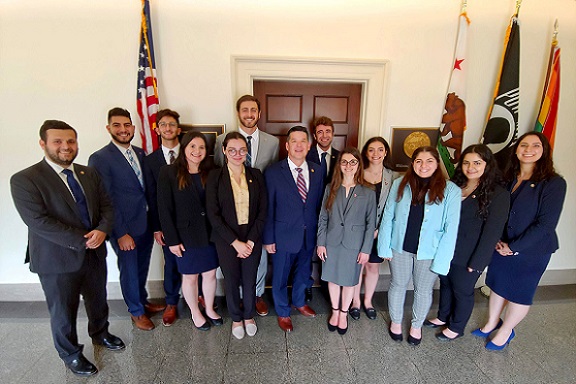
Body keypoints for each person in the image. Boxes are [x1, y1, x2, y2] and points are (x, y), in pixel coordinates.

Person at [10, 120, 125, 377]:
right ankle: (70, 354)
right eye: (58, 142)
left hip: (94, 253)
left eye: (70, 141)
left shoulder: (88, 173)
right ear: (43, 144)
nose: (66, 147)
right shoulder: (25, 179)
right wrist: (84, 238)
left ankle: (100, 333)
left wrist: (103, 230)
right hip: (57, 259)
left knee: (98, 299)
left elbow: (107, 206)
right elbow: (38, 222)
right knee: (63, 310)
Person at [473, 132, 566, 351]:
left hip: (532, 251)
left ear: (544, 151)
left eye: (535, 145)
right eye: (523, 145)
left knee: (519, 293)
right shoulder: (507, 178)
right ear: (516, 149)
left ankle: (506, 332)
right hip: (500, 244)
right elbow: (494, 211)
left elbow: (545, 225)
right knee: (497, 285)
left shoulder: (553, 183)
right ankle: (491, 323)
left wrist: (514, 247)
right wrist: (497, 239)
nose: (528, 149)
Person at [89, 107, 165, 331]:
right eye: (117, 125)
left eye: (126, 125)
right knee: (129, 269)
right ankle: (136, 311)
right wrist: (119, 232)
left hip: (144, 222)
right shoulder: (100, 158)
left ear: (133, 127)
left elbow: (146, 190)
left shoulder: (140, 154)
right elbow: (105, 199)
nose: (123, 130)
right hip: (124, 228)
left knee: (141, 267)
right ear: (108, 128)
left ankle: (142, 300)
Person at [425, 144, 510, 341]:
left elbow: (492, 232)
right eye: (467, 162)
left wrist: (478, 262)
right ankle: (443, 316)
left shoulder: (498, 194)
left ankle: (456, 326)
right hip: (447, 248)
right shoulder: (454, 186)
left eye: (477, 163)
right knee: (445, 284)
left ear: (487, 165)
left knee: (462, 290)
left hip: (471, 253)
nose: (471, 167)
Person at [378, 146, 461, 346]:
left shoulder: (451, 190)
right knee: (398, 284)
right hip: (400, 246)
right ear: (413, 163)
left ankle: (416, 326)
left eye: (429, 161)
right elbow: (388, 215)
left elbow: (451, 229)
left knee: (423, 290)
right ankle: (396, 322)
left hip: (429, 251)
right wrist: (384, 246)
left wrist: (443, 260)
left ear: (437, 163)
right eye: (418, 161)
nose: (423, 166)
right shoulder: (400, 184)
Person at [214, 95, 279, 317]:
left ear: (259, 114)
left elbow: (271, 174)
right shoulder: (222, 140)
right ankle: (237, 308)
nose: (249, 114)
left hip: (256, 214)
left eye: (253, 110)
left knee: (257, 263)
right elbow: (217, 175)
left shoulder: (273, 142)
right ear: (238, 112)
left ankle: (256, 296)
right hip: (230, 217)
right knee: (232, 272)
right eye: (245, 110)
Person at [157, 132, 222, 331]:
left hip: (210, 234)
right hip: (185, 236)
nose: (197, 151)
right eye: (193, 146)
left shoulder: (212, 172)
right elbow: (164, 209)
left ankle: (210, 309)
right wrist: (173, 240)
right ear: (184, 148)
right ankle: (195, 312)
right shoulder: (168, 172)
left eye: (201, 147)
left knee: (210, 274)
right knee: (190, 277)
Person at [263, 126, 324, 333]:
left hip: (309, 235)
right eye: (294, 141)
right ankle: (282, 311)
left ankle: (299, 301)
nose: (299, 145)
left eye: (303, 141)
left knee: (304, 272)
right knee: (279, 276)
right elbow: (268, 207)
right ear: (287, 145)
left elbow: (318, 206)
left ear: (309, 145)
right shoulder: (272, 172)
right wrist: (268, 238)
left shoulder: (318, 170)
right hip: (282, 236)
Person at [206, 132, 267, 339]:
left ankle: (249, 316)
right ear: (224, 151)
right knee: (231, 280)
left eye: (242, 150)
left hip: (252, 237)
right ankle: (236, 319)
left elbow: (262, 211)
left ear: (246, 151)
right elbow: (213, 215)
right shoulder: (215, 176)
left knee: (250, 280)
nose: (237, 154)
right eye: (232, 150)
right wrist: (235, 243)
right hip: (226, 239)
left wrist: (249, 241)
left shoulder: (256, 175)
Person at [317, 148, 376, 334]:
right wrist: (321, 243)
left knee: (350, 281)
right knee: (333, 279)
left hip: (354, 244)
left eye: (353, 162)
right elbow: (323, 218)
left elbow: (370, 223)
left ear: (359, 164)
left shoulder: (368, 191)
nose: (348, 166)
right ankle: (335, 311)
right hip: (332, 242)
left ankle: (343, 314)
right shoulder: (331, 188)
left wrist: (366, 249)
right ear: (339, 165)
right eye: (344, 162)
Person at [144, 108, 183, 326]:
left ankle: (198, 297)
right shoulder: (151, 161)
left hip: (193, 221)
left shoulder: (191, 153)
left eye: (171, 124)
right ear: (158, 129)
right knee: (171, 263)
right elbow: (151, 195)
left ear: (179, 129)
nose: (168, 128)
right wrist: (157, 227)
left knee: (196, 260)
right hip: (167, 222)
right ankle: (171, 302)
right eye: (163, 125)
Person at [350, 137, 394, 321]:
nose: (375, 154)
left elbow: (393, 207)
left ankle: (368, 301)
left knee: (373, 267)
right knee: (357, 267)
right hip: (359, 230)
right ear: (365, 153)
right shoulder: (357, 174)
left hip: (380, 231)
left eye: (380, 149)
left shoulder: (393, 177)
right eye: (371, 150)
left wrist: (378, 230)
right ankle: (355, 303)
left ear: (385, 152)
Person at [305, 116, 341, 302]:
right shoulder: (305, 155)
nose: (324, 135)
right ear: (314, 135)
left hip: (334, 214)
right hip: (311, 212)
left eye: (328, 131)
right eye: (320, 131)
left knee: (330, 250)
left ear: (333, 133)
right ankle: (307, 284)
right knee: (309, 250)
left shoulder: (342, 157)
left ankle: (329, 285)